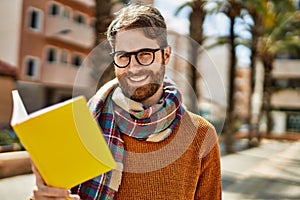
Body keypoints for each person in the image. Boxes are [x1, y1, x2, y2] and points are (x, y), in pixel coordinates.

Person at [30, 3, 221, 200]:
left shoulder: (201, 134)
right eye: (123, 57)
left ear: (165, 55)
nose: (133, 67)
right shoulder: (80, 127)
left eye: (144, 54)